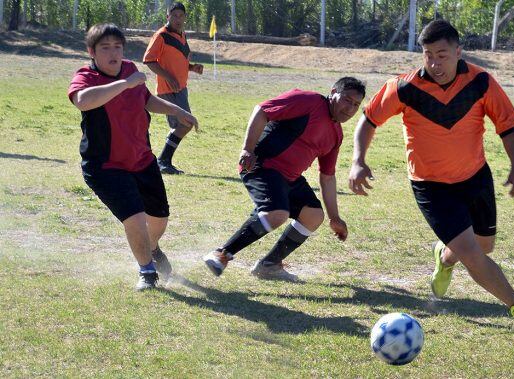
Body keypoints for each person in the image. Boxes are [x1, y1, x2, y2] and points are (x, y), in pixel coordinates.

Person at [348, 20, 514, 344]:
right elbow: (368, 121)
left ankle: (445, 256)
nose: (435, 63)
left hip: (475, 178)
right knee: (472, 253)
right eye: (428, 55)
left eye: (442, 55)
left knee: (483, 247)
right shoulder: (403, 88)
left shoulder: (480, 82)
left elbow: (507, 126)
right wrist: (358, 160)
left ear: (458, 51)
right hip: (430, 185)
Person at [68, 24, 198, 290]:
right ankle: (147, 271)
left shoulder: (130, 69)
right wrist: (125, 84)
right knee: (135, 217)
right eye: (105, 48)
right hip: (106, 165)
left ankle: (151, 249)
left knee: (159, 218)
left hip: (141, 159)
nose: (113, 53)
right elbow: (82, 101)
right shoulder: (87, 77)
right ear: (91, 52)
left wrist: (176, 109)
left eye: (118, 46)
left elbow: (145, 99)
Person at [203, 78, 366, 281]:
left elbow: (327, 177)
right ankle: (222, 254)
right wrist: (247, 149)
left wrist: (335, 218)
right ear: (333, 92)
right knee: (277, 213)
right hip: (261, 166)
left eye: (355, 105)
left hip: (290, 178)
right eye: (346, 100)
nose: (349, 108)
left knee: (313, 216)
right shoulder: (309, 101)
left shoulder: (336, 135)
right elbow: (262, 110)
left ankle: (269, 265)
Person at [143, 2, 204, 174]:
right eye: (174, 15)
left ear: (185, 18)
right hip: (168, 89)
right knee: (186, 123)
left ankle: (163, 161)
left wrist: (192, 67)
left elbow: (178, 61)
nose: (178, 19)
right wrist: (168, 77)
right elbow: (148, 61)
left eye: (181, 16)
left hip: (181, 89)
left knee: (183, 124)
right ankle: (163, 160)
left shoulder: (182, 35)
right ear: (167, 16)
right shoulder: (161, 35)